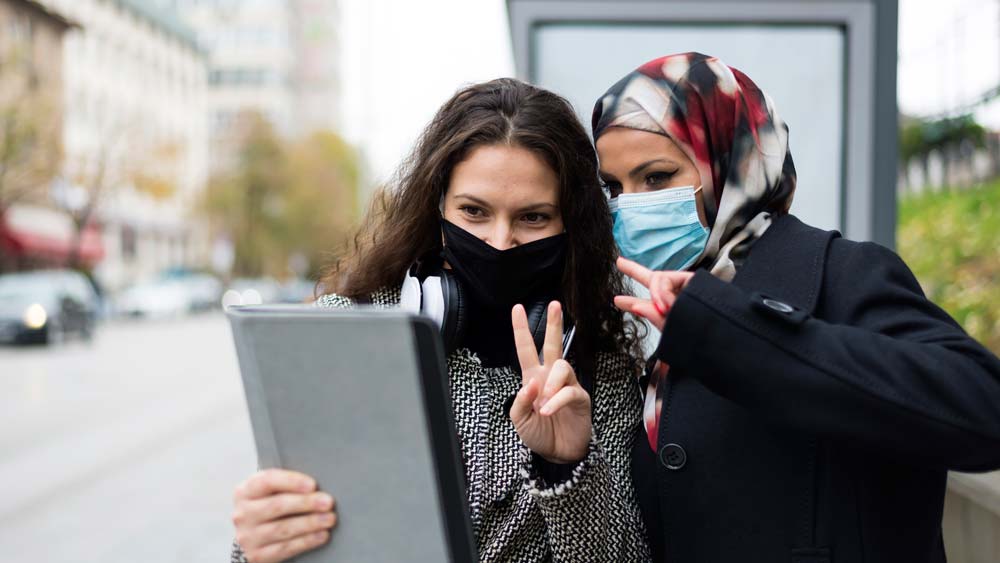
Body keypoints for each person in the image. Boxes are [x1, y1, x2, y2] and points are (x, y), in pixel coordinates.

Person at [593, 51, 1000, 562]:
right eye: (614, 187)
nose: (629, 207)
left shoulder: (844, 273)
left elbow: (982, 408)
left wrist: (730, 334)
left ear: (731, 159)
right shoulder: (661, 315)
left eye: (655, 178)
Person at [229, 78, 652, 563]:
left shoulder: (602, 370)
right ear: (438, 208)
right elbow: (286, 530)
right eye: (474, 211)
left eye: (532, 217)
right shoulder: (346, 335)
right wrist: (258, 541)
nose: (499, 242)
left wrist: (566, 467)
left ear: (571, 225)